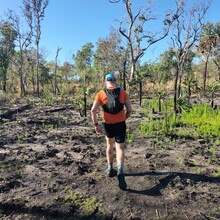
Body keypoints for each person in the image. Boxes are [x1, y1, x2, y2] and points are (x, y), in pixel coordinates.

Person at [90, 73, 132, 190]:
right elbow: (130, 109)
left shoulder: (100, 93)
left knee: (109, 145)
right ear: (115, 80)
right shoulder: (123, 92)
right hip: (120, 124)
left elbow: (93, 110)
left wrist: (96, 125)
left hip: (107, 124)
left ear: (105, 81)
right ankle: (120, 170)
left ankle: (109, 168)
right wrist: (124, 118)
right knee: (120, 148)